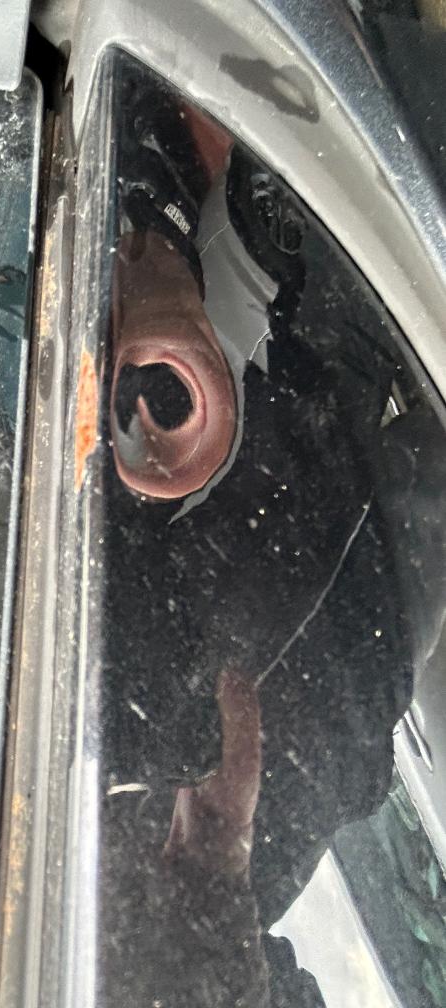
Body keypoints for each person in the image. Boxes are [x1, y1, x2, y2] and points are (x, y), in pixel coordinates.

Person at [96, 55, 439, 1007]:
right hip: (380, 573)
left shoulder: (89, 703)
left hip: (292, 337)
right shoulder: (257, 867)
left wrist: (158, 247)